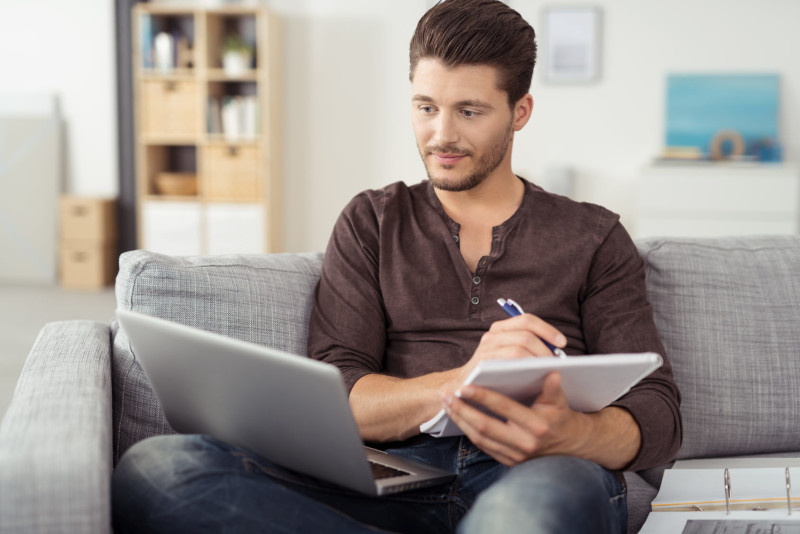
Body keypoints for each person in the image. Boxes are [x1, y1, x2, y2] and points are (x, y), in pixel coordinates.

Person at [112, 1, 682, 532]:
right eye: (426, 107)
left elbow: (657, 412)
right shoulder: (372, 221)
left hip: (536, 470)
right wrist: (459, 384)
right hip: (390, 473)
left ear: (520, 112)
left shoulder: (594, 235)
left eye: (470, 111)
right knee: (159, 468)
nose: (442, 135)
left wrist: (574, 433)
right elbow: (343, 391)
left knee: (524, 514)